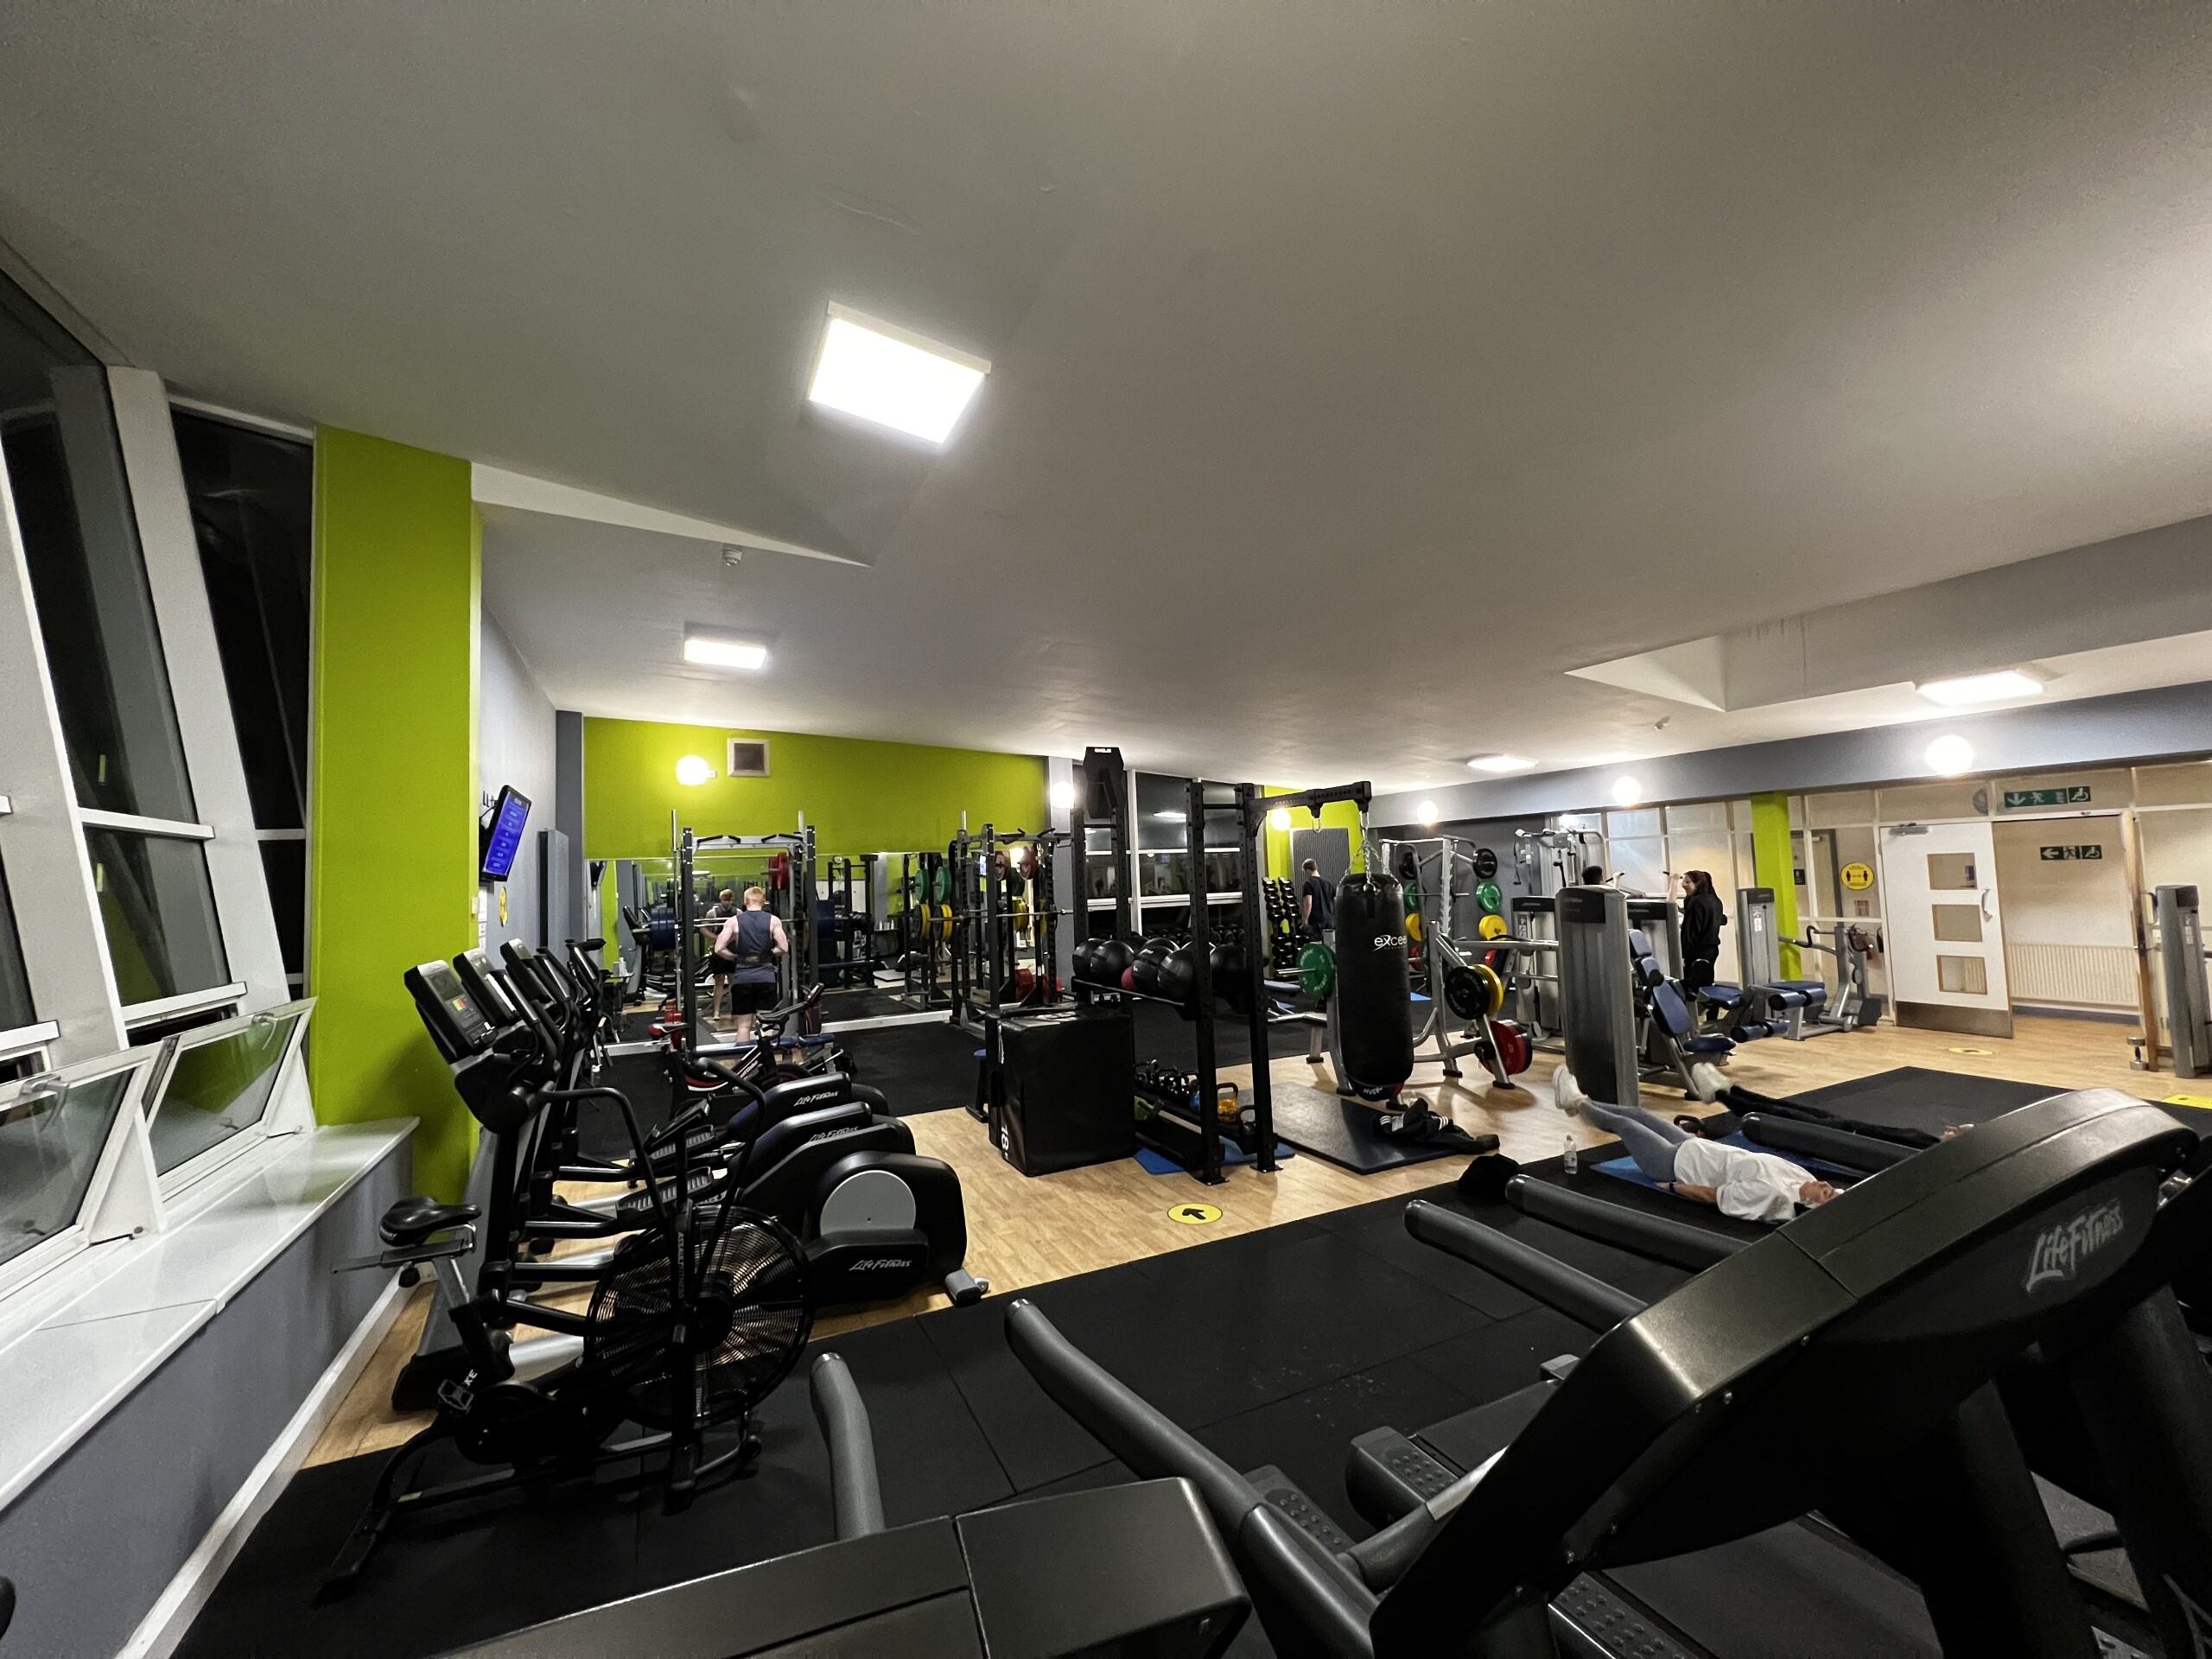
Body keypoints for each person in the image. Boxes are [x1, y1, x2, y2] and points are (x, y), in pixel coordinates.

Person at [1554, 1065, 1840, 1223]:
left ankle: (1576, 1102)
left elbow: (1712, 1195)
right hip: (1694, 1148)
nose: (1827, 1186)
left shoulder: (1773, 1198)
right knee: (1639, 1114)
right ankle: (1585, 1103)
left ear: (1810, 1205)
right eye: (1832, 1189)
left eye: (1826, 1195)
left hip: (1670, 1164)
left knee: (1626, 1125)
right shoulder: (1804, 1176)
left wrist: (1674, 1187)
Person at [713, 886, 789, 1041]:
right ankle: (767, 1063)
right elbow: (783, 947)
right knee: (766, 1025)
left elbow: (719, 948)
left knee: (743, 1026)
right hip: (765, 978)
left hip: (743, 978)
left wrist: (735, 957)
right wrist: (767, 954)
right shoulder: (774, 921)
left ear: (745, 901)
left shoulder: (733, 921)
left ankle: (744, 1063)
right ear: (764, 901)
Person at [1677, 869, 1726, 994]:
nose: (1683, 885)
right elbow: (1722, 919)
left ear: (1698, 884)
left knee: (1691, 987)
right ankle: (1711, 1010)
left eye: (1687, 882)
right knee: (1707, 984)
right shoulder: (1715, 900)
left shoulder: (1696, 902)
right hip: (1712, 950)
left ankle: (1692, 1011)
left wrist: (1683, 954)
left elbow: (1691, 932)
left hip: (1696, 952)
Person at [702, 888, 739, 1016]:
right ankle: (716, 1011)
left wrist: (732, 938)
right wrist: (716, 937)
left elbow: (742, 929)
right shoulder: (712, 913)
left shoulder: (737, 913)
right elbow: (703, 929)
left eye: (729, 900)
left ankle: (735, 1010)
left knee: (733, 981)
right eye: (725, 900)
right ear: (720, 900)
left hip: (733, 948)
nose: (727, 903)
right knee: (719, 981)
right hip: (718, 950)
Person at [1299, 859, 1336, 944]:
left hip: (1317, 925)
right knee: (1330, 949)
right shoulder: (1329, 883)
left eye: (1305, 872)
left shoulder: (1308, 884)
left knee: (1318, 951)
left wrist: (1304, 922)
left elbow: (1308, 904)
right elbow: (1334, 902)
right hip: (1330, 923)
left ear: (1308, 870)